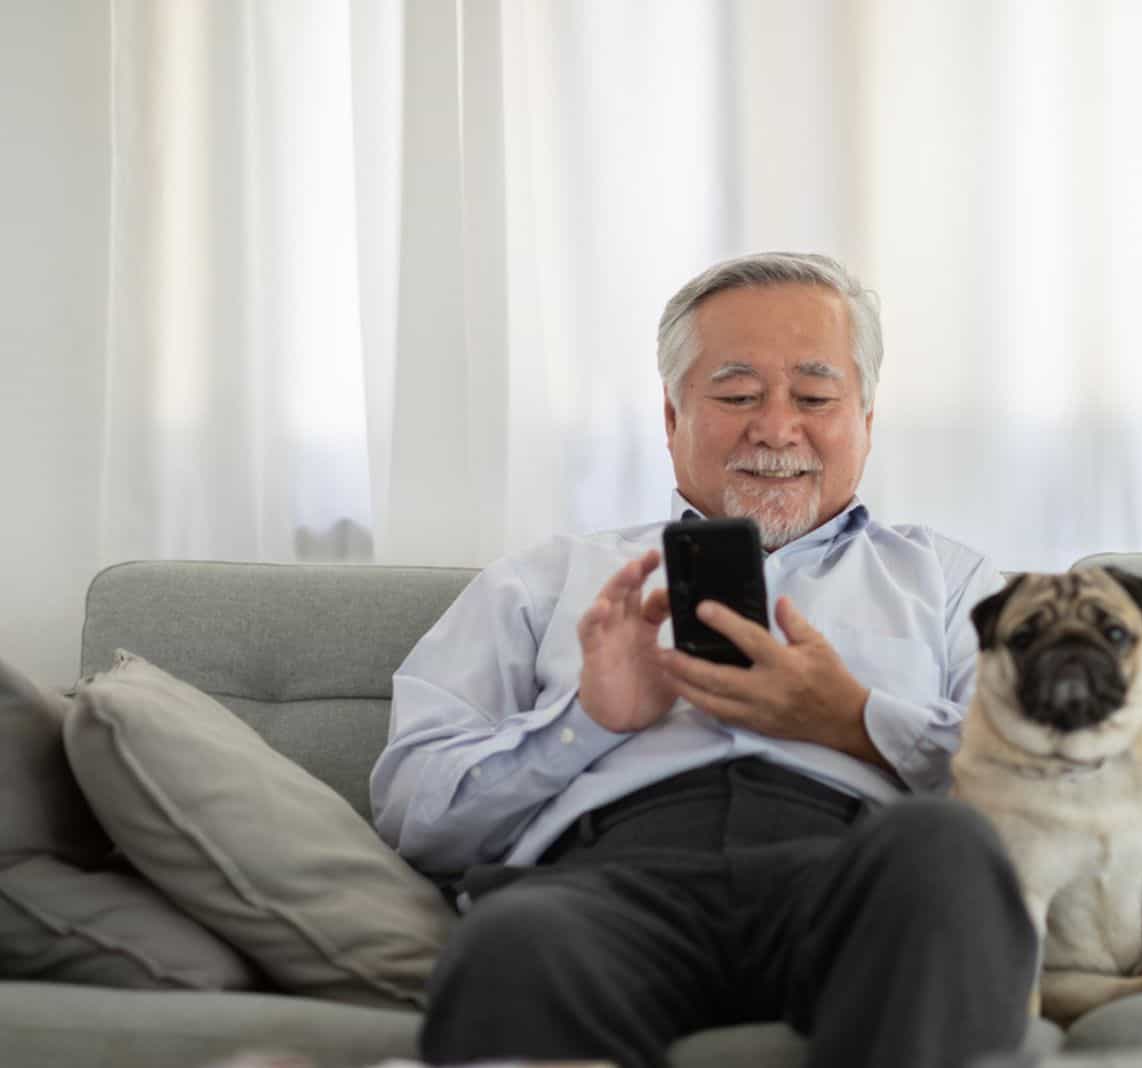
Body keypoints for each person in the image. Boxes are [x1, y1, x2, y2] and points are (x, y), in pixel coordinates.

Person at [371, 252, 1037, 1068]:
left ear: (865, 416)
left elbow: (1041, 780)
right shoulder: (544, 581)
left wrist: (853, 720)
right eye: (737, 395)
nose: (777, 427)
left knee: (945, 852)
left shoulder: (949, 580)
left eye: (816, 396)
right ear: (671, 415)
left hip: (857, 876)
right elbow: (414, 815)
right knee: (514, 938)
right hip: (607, 883)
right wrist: (585, 724)